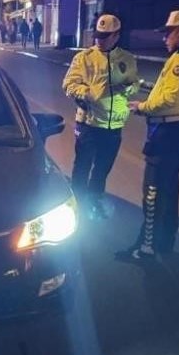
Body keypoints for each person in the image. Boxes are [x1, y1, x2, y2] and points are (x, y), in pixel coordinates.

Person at [125, 10, 179, 262]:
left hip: (167, 132)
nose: (165, 39)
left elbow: (169, 98)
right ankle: (165, 242)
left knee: (152, 192)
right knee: (170, 188)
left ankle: (146, 248)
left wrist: (142, 107)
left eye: (168, 33)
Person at [62, 14, 140, 220]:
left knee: (103, 168)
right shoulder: (84, 58)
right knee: (82, 166)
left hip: (114, 125)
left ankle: (95, 199)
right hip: (88, 124)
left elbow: (134, 83)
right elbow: (68, 85)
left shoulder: (127, 59)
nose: (99, 40)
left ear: (116, 36)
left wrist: (130, 87)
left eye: (105, 36)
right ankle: (77, 203)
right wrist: (88, 93)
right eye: (98, 35)